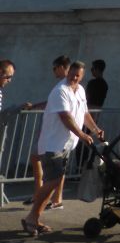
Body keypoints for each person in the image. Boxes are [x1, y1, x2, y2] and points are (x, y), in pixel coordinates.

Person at [22, 61, 104, 237]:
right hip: (53, 145)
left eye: (77, 75)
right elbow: (65, 117)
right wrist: (83, 135)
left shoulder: (80, 90)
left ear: (82, 76)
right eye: (71, 74)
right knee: (52, 181)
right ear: (68, 73)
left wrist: (96, 130)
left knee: (54, 182)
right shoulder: (60, 91)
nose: (74, 77)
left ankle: (34, 218)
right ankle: (31, 217)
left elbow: (84, 113)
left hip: (67, 145)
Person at [23, 55, 71, 209]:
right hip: (59, 134)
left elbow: (57, 107)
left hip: (55, 134)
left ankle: (41, 196)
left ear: (62, 67)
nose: (53, 71)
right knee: (59, 167)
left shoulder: (64, 86)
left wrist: (34, 106)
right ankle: (55, 198)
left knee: (40, 160)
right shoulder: (68, 85)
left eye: (54, 67)